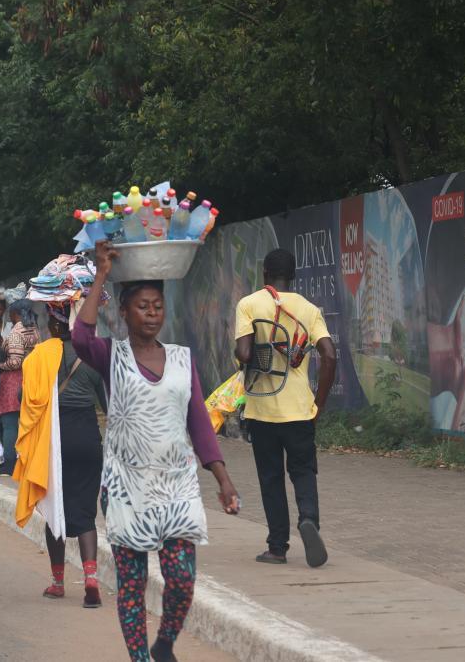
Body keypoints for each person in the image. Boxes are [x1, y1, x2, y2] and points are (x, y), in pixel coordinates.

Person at [73, 241, 240, 662]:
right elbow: (80, 336)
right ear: (124, 312)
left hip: (176, 485)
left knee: (181, 580)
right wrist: (102, 274)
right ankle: (141, 659)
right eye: (143, 306)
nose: (152, 313)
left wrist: (222, 478)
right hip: (127, 486)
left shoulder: (182, 359)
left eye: (158, 306)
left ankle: (165, 641)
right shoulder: (111, 355)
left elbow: (198, 421)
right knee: (132, 585)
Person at [234, 248, 337, 567]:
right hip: (300, 410)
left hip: (261, 411)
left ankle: (277, 547)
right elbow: (330, 355)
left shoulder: (249, 304)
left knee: (271, 478)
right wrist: (318, 404)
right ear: (293, 276)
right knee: (303, 471)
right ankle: (308, 520)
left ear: (265, 273)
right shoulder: (309, 309)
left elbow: (244, 353)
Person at [15, 302, 107, 608]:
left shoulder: (39, 356)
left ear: (54, 325)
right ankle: (91, 579)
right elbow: (107, 404)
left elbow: (23, 396)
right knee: (86, 513)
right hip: (88, 439)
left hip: (55, 441)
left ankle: (57, 582)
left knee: (56, 511)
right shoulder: (91, 356)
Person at [0, 298, 40, 476]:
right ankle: (30, 463)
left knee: (10, 424)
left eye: (10, 313)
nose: (9, 317)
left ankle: (9, 465)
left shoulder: (16, 332)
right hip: (30, 379)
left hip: (13, 382)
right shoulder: (34, 330)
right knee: (27, 424)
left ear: (15, 314)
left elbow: (15, 362)